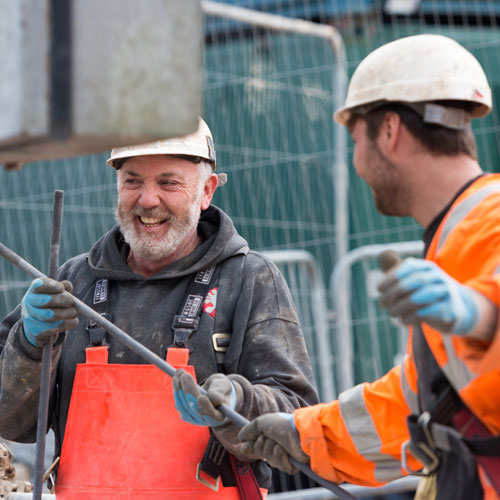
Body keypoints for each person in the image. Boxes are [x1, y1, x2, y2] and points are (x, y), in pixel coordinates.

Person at [236, 34, 500, 500]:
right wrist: (304, 434)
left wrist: (483, 316)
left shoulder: (487, 223)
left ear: (390, 130)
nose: (357, 159)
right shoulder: (454, 237)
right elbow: (412, 408)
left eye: (356, 138)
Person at [0, 118, 319, 498]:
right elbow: (11, 423)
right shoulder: (73, 284)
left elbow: (297, 420)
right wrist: (28, 347)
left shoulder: (249, 280)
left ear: (207, 191)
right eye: (133, 181)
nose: (148, 200)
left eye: (168, 182)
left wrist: (238, 401)